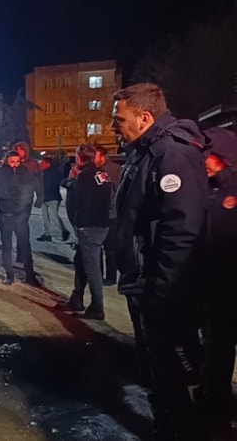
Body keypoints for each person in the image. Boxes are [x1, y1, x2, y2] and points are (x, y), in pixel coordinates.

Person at [111, 83, 209, 439]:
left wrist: (163, 291)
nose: (114, 126)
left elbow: (183, 230)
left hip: (165, 289)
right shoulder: (144, 151)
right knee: (157, 367)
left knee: (178, 370)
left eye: (119, 119)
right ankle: (167, 422)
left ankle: (185, 428)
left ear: (144, 117)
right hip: (144, 281)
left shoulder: (173, 154)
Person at [195, 127, 237, 435]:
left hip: (230, 285)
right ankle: (215, 406)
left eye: (206, 155)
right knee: (217, 350)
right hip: (214, 289)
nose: (202, 161)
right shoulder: (207, 188)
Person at [61, 143, 112, 320]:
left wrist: (80, 224)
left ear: (79, 158)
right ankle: (77, 299)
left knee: (92, 268)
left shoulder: (83, 177)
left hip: (88, 226)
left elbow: (78, 202)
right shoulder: (103, 174)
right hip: (102, 224)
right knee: (81, 261)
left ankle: (97, 307)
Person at [0, 150, 40, 286]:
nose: (15, 165)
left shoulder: (24, 170)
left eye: (17, 161)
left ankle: (30, 275)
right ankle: (9, 274)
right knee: (7, 246)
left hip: (21, 214)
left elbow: (33, 185)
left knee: (25, 245)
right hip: (6, 213)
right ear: (6, 160)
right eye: (12, 162)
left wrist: (27, 199)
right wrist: (6, 194)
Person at [94, 145, 122, 286]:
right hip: (97, 214)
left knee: (110, 247)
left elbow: (118, 191)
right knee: (97, 246)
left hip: (111, 214)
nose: (93, 159)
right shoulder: (94, 170)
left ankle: (111, 276)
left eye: (96, 156)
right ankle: (97, 274)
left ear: (103, 156)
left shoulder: (114, 169)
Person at [12, 141, 43, 263]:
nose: (19, 152)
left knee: (22, 227)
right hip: (12, 201)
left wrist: (40, 196)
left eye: (20, 149)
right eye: (17, 149)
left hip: (26, 200)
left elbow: (38, 181)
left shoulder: (32, 164)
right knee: (16, 227)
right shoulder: (12, 162)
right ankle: (21, 252)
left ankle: (24, 254)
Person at [37, 156, 71, 242]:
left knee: (54, 217)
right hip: (45, 197)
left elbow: (56, 184)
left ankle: (63, 231)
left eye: (42, 163)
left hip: (52, 197)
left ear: (47, 164)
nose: (41, 165)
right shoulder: (43, 173)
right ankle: (47, 234)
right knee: (45, 217)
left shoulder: (53, 172)